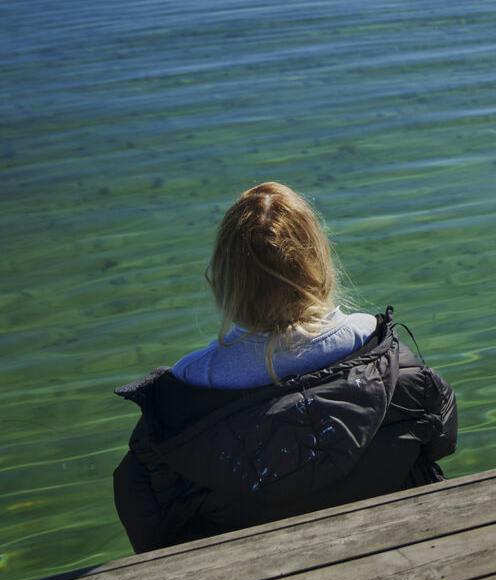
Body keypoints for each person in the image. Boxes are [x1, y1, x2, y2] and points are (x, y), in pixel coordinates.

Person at [112, 182, 457, 552]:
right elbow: (442, 438)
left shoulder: (179, 401)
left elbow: (145, 521)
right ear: (317, 263)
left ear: (225, 280)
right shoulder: (387, 357)